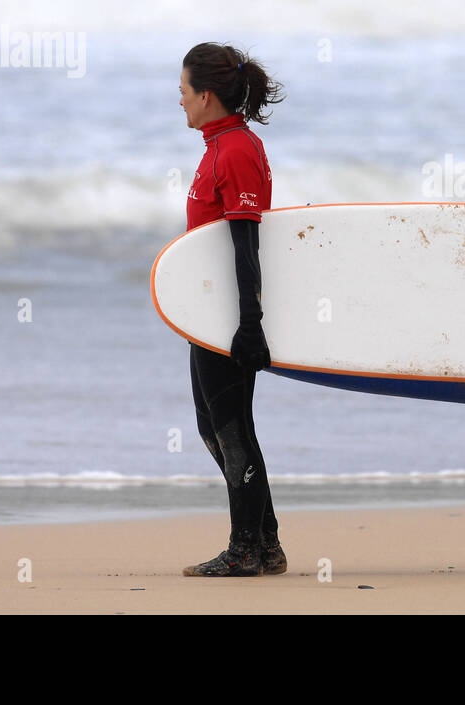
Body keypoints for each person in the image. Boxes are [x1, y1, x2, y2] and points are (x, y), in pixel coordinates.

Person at [177, 42, 286, 577]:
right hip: (208, 311)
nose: (180, 103)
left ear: (207, 95)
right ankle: (264, 544)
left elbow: (247, 243)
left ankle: (246, 548)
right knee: (213, 425)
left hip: (228, 317)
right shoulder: (218, 145)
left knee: (232, 428)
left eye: (183, 93)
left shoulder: (237, 150)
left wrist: (249, 325)